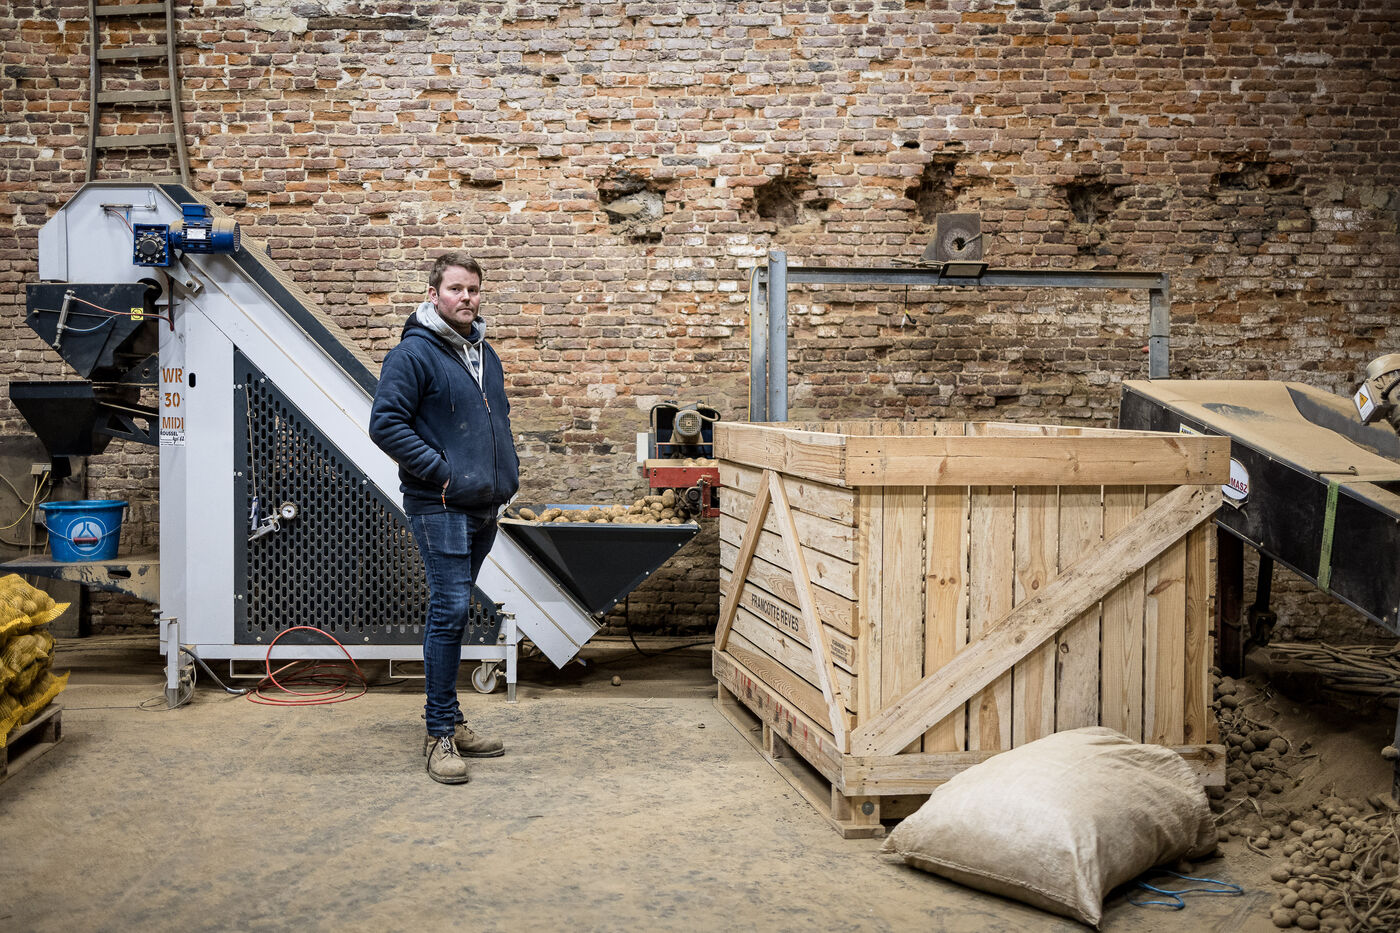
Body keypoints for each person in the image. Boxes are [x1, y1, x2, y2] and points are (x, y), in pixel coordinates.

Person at [369, 252, 519, 784]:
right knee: (449, 610)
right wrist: (442, 473)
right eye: (456, 289)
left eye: (473, 289)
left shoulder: (484, 353)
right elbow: (386, 424)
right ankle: (438, 734)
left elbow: (496, 420)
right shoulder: (412, 354)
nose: (466, 298)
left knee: (455, 611)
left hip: (483, 504)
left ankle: (452, 719)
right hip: (441, 504)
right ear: (434, 294)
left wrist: (505, 475)